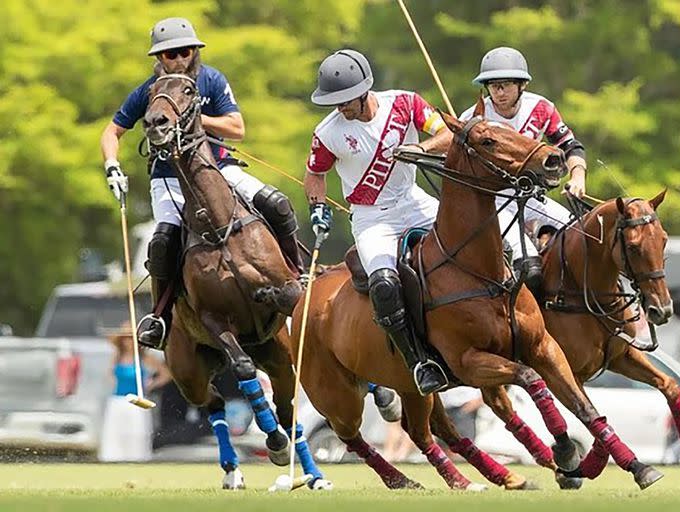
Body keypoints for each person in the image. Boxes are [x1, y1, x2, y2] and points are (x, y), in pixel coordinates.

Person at [99, 17, 305, 350]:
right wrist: (112, 166)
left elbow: (237, 128)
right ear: (159, 59)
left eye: (184, 51)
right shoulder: (148, 92)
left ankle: (299, 271)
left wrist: (192, 115)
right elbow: (112, 132)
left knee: (277, 203)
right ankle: (161, 317)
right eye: (170, 55)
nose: (178, 59)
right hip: (168, 179)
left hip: (218, 168)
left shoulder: (211, 80)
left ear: (194, 51)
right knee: (162, 242)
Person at [304, 49, 450, 395]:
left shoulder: (405, 103)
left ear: (363, 90)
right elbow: (314, 175)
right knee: (384, 284)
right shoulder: (328, 133)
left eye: (345, 100)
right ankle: (419, 362)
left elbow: (447, 134)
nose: (340, 107)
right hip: (372, 219)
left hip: (414, 202)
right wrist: (317, 207)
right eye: (333, 101)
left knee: (475, 243)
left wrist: (422, 150)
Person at [460, 47, 588, 296]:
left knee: (580, 238)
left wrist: (577, 177)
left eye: (505, 85)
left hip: (531, 198)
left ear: (522, 85)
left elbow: (571, 146)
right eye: (492, 85)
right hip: (492, 203)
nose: (498, 92)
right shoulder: (475, 119)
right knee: (529, 267)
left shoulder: (541, 108)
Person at [98, 324, 170, 462]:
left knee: (137, 434)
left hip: (137, 401)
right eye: (126, 339)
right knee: (116, 434)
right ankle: (114, 460)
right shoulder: (117, 357)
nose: (129, 342)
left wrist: (151, 384)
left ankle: (137, 460)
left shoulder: (144, 359)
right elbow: (110, 373)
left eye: (132, 339)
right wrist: (113, 379)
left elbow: (166, 374)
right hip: (117, 401)